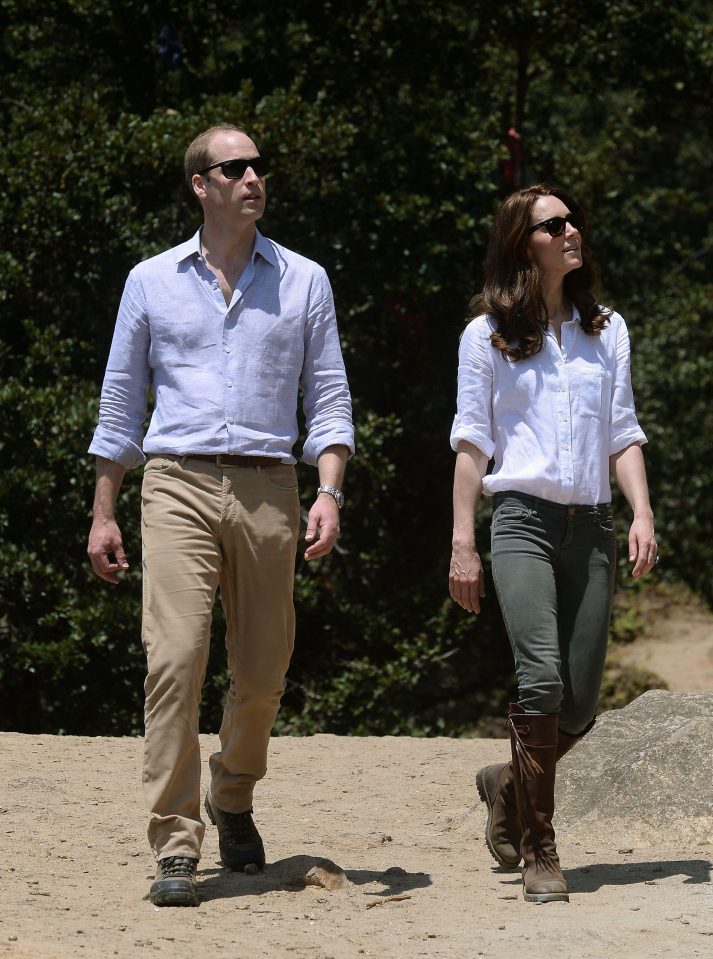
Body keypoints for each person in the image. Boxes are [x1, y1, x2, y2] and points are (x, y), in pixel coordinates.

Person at [87, 123, 354, 907]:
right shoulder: (151, 280)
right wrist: (104, 510)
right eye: (233, 167)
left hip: (273, 483)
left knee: (265, 666)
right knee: (173, 658)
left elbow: (329, 398)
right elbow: (118, 404)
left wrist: (329, 489)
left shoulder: (304, 280)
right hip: (175, 481)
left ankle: (230, 793)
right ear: (199, 184)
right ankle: (175, 839)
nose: (252, 178)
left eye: (257, 166)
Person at [448, 184, 656, 903]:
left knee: (578, 706)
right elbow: (472, 442)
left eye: (573, 221)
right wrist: (461, 541)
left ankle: (505, 781)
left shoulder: (607, 329)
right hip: (521, 522)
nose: (572, 231)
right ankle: (540, 847)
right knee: (539, 680)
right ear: (522, 243)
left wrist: (641, 512)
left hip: (591, 526)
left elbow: (621, 430)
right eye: (554, 223)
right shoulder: (487, 336)